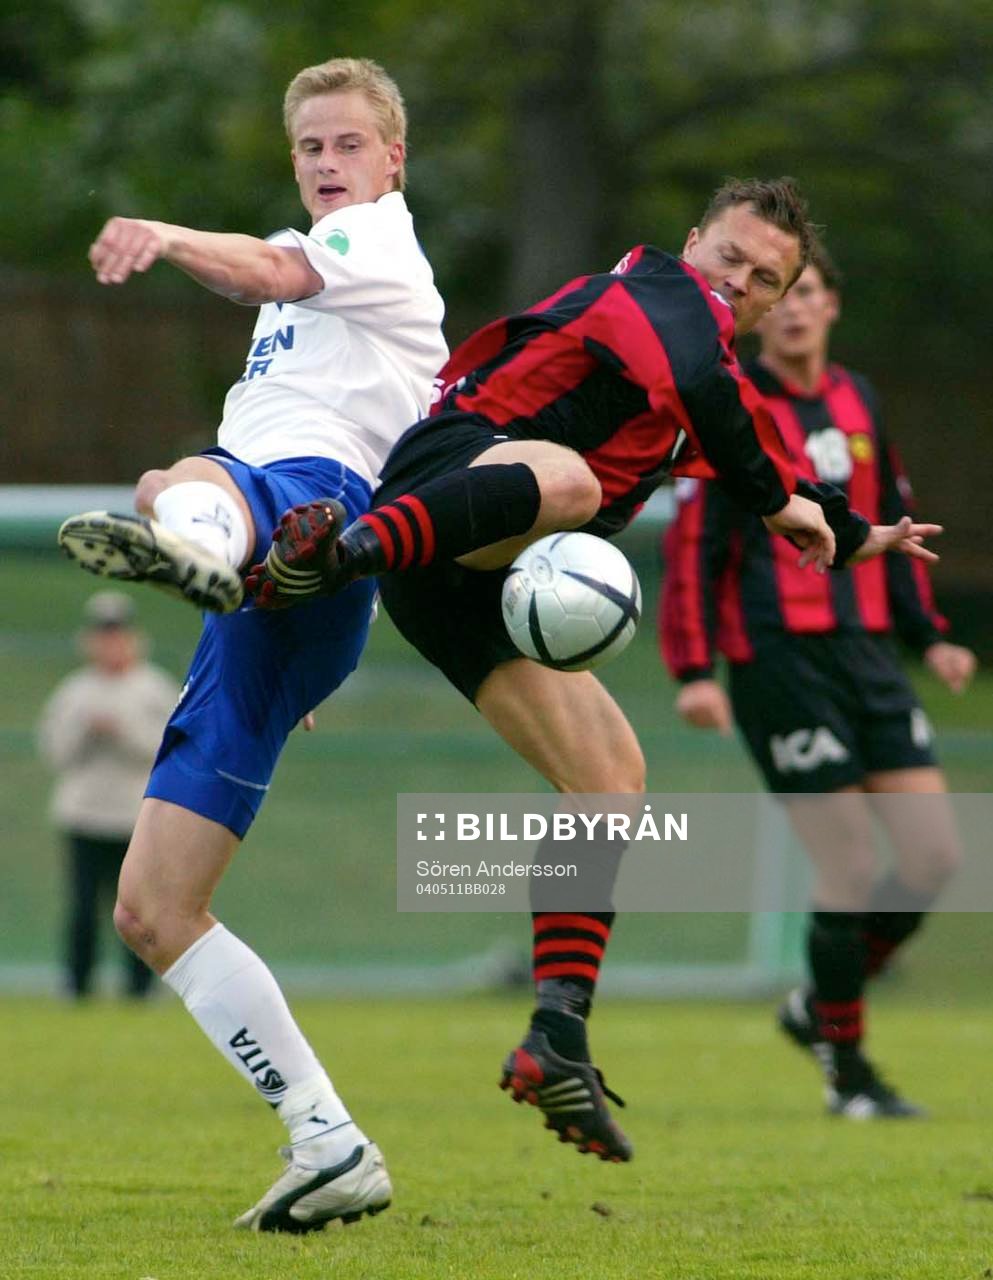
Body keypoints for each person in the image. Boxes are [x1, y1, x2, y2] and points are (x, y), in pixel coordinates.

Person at [246, 178, 941, 1162]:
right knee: (568, 480)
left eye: (765, 278)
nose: (738, 282)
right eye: (729, 257)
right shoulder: (652, 290)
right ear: (690, 243)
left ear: (780, 298)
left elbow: (785, 473)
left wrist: (862, 532)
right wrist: (777, 499)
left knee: (611, 777)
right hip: (452, 480)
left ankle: (556, 1035)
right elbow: (740, 440)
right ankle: (325, 564)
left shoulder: (714, 382)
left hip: (464, 579)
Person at [56, 57, 447, 1231]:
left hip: (313, 508)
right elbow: (283, 270)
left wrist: (165, 234)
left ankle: (207, 546)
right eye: (310, 148)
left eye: (347, 144)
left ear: (391, 160)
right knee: (153, 909)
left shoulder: (373, 242)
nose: (328, 164)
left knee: (184, 477)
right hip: (291, 597)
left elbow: (272, 264)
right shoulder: (315, 273)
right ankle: (328, 1140)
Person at [659, 242, 976, 1117]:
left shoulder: (857, 397)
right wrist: (695, 669)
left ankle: (817, 1009)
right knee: (846, 863)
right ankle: (848, 1071)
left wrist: (928, 634)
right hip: (778, 662)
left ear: (831, 305)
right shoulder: (731, 403)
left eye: (809, 293)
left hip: (868, 656)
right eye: (779, 295)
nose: (792, 308)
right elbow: (696, 546)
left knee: (933, 858)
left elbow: (889, 527)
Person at [37, 591, 179, 1000]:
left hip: (136, 820)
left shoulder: (154, 689)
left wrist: (124, 732)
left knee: (139, 910)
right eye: (103, 634)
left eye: (118, 634)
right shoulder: (75, 691)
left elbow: (169, 751)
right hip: (84, 816)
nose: (111, 643)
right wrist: (86, 730)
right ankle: (77, 985)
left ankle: (140, 988)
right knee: (83, 907)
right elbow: (55, 751)